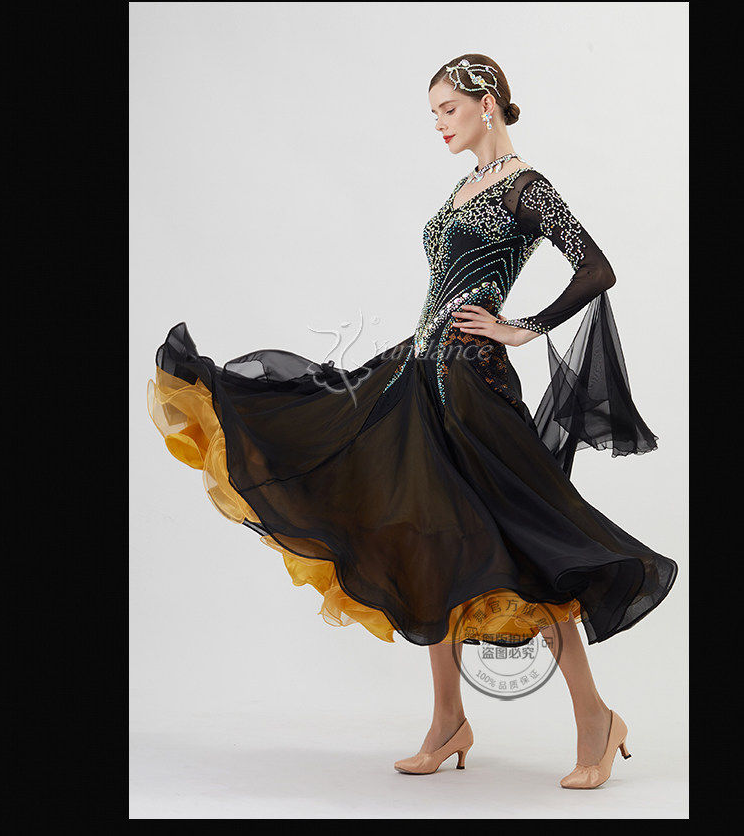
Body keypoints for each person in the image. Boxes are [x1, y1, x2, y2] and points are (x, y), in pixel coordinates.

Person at [147, 53, 678, 789]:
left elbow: (596, 268)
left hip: (474, 384)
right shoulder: (464, 186)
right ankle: (448, 719)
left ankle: (596, 718)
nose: (438, 124)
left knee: (527, 547)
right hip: (419, 375)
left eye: (447, 110)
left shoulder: (526, 187)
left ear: (486, 103)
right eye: (432, 113)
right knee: (425, 538)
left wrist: (521, 327)